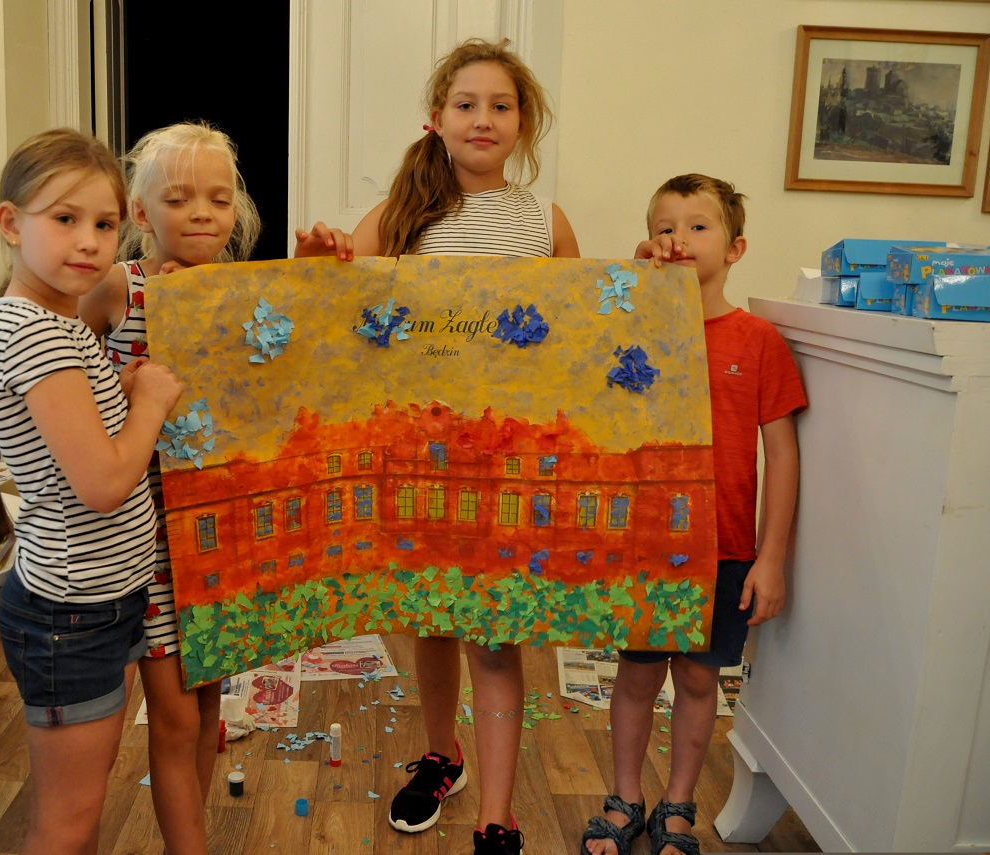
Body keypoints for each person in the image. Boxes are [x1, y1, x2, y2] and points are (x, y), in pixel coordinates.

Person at [301, 37, 580, 855]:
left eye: (500, 105)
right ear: (436, 116)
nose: (482, 118)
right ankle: (441, 753)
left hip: (507, 460)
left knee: (494, 634)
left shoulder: (545, 221)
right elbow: (329, 310)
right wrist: (321, 267)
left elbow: (582, 335)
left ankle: (497, 813)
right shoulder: (399, 214)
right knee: (430, 620)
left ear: (523, 122)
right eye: (465, 104)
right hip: (419, 457)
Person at [0, 128, 184, 855]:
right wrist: (148, 401)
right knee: (66, 820)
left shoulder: (45, 321)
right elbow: (102, 483)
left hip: (92, 601)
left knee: (79, 810)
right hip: (73, 611)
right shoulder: (41, 335)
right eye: (64, 219)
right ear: (10, 223)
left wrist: (117, 387)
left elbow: (70, 430)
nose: (89, 241)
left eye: (104, 223)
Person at [581, 174, 806, 855]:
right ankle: (624, 796)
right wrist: (636, 278)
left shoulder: (758, 340)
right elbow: (585, 358)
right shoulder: (635, 333)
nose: (678, 237)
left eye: (697, 225)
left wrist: (771, 557)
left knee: (700, 678)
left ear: (735, 248)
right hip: (644, 545)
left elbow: (782, 454)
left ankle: (677, 805)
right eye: (664, 226)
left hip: (725, 547)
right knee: (635, 674)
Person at [77, 121, 262, 855]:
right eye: (178, 198)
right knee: (178, 719)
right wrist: (120, 397)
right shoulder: (118, 288)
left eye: (218, 199)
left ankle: (192, 835)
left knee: (207, 706)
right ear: (140, 212)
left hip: (216, 530)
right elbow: (65, 380)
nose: (201, 213)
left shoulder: (242, 292)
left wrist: (316, 265)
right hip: (145, 538)